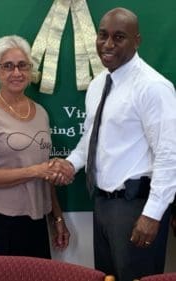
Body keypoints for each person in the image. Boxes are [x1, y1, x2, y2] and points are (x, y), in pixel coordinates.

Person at [52, 7, 176, 281]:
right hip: (103, 204)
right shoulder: (98, 84)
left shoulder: (153, 87)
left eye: (119, 37)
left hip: (137, 207)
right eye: (102, 35)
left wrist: (152, 215)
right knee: (106, 279)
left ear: (137, 40)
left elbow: (170, 156)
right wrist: (71, 164)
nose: (107, 44)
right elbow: (91, 139)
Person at [0, 35, 70, 259]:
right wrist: (36, 170)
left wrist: (57, 217)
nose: (16, 73)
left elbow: (46, 172)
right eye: (8, 66)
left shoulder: (41, 113)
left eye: (23, 65)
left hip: (34, 221)